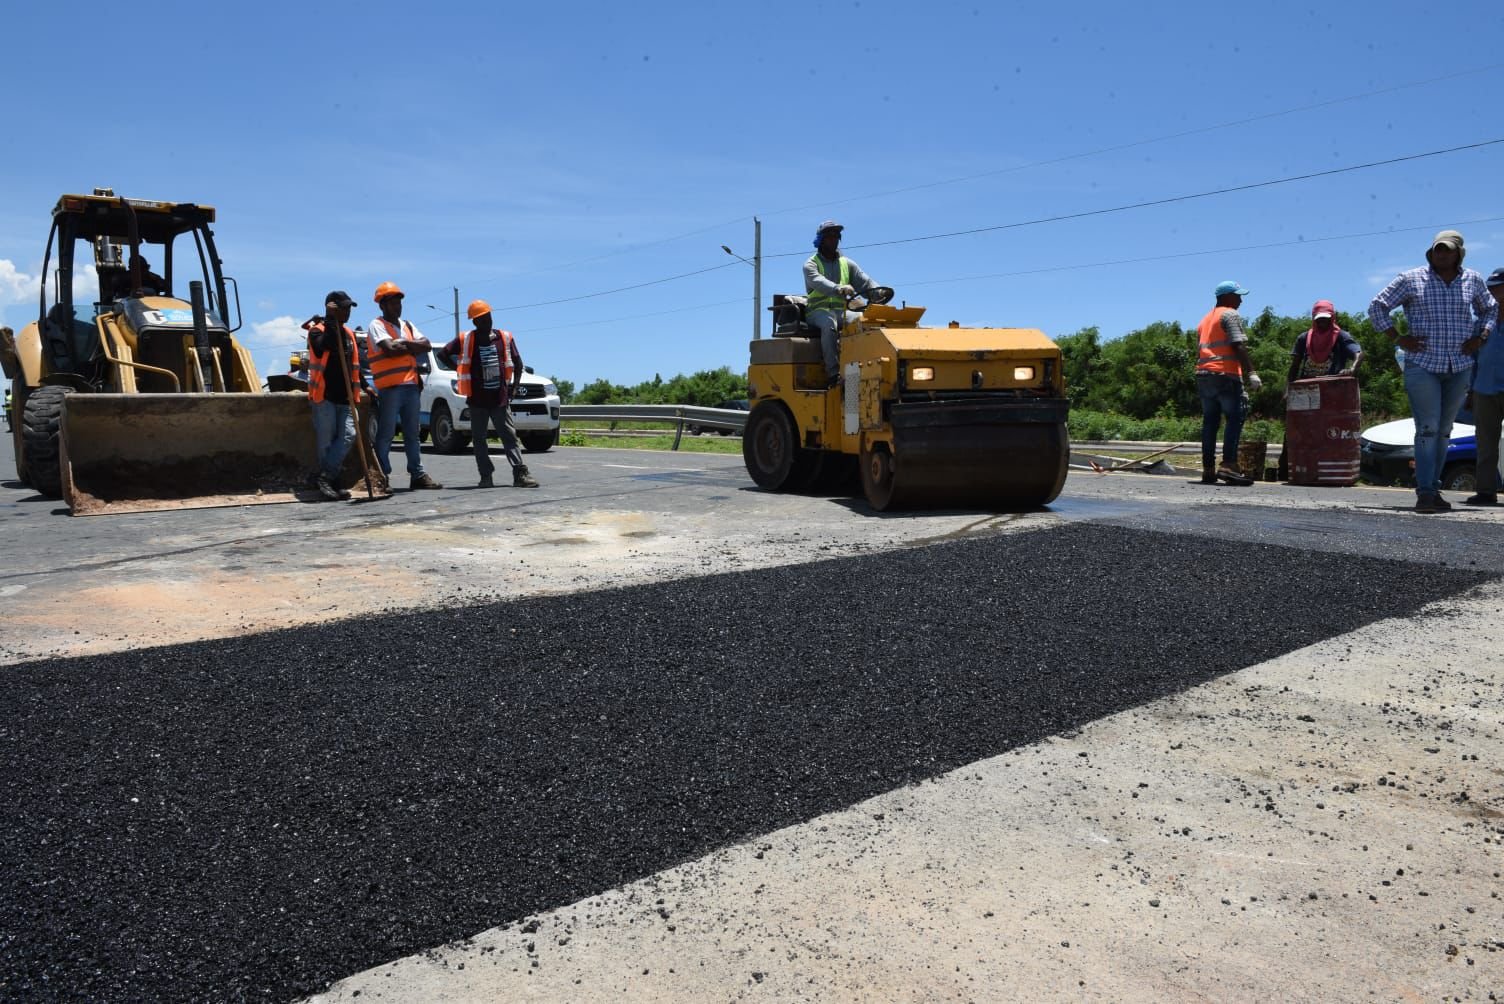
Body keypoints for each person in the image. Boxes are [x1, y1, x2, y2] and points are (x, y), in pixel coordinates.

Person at [1368, 230, 1498, 513]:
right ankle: (1425, 492)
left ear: (1458, 253)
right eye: (1438, 249)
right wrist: (1398, 338)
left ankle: (1434, 489)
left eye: (1447, 250)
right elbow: (1377, 307)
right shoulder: (1411, 278)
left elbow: (1490, 309)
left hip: (1459, 365)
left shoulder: (1473, 279)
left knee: (1444, 431)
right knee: (1428, 428)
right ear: (1431, 252)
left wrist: (1481, 337)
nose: (1442, 254)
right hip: (1423, 364)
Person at [442, 300, 540, 488]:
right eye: (481, 319)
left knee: (509, 436)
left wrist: (514, 387)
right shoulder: (467, 339)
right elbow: (443, 354)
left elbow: (518, 364)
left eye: (488, 317)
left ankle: (520, 474)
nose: (486, 321)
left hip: (499, 398)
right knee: (479, 439)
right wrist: (459, 369)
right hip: (477, 399)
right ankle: (486, 476)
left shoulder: (504, 337)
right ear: (474, 322)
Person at [366, 281, 442, 490]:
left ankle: (417, 474)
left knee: (412, 434)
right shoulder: (377, 325)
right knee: (386, 434)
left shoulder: (407, 325)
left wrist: (405, 344)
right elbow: (389, 350)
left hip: (411, 386)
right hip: (390, 387)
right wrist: (412, 347)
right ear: (382, 305)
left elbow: (426, 345)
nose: (397, 307)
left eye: (399, 302)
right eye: (392, 303)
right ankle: (381, 475)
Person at [300, 291, 370, 501]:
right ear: (332, 309)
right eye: (344, 308)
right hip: (325, 396)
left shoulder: (348, 333)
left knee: (349, 434)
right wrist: (330, 319)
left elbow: (353, 364)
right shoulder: (316, 331)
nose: (348, 312)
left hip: (346, 397)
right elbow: (327, 346)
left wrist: (366, 385)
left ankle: (325, 477)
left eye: (349, 308)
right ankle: (333, 481)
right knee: (326, 442)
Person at [1194, 280, 1262, 485]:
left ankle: (1208, 469)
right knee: (1234, 418)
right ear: (1226, 297)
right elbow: (1238, 345)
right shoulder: (1230, 314)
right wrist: (1252, 373)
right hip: (1225, 375)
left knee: (1210, 422)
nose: (1240, 300)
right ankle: (1229, 465)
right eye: (1237, 295)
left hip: (1204, 375)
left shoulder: (1205, 319)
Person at [804, 220, 882, 384]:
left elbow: (865, 282)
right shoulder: (811, 264)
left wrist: (878, 292)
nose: (833, 240)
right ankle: (834, 375)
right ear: (820, 240)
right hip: (817, 312)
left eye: (836, 236)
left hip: (842, 312)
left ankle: (860, 370)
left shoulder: (847, 264)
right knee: (829, 323)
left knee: (862, 321)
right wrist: (838, 288)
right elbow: (817, 281)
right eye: (829, 236)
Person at [1464, 267, 1504, 506]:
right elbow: (1474, 359)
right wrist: (1470, 391)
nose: (1493, 293)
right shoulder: (1481, 324)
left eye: (1498, 288)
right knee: (1485, 443)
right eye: (1490, 289)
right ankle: (1486, 491)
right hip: (1484, 389)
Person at [1288, 300, 1362, 382]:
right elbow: (1295, 365)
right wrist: (1289, 386)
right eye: (1319, 319)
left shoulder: (1341, 337)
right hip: (1308, 386)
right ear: (1314, 319)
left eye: (1325, 319)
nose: (1322, 323)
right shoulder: (1303, 338)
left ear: (1332, 318)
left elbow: (1358, 354)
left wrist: (1352, 369)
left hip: (1334, 385)